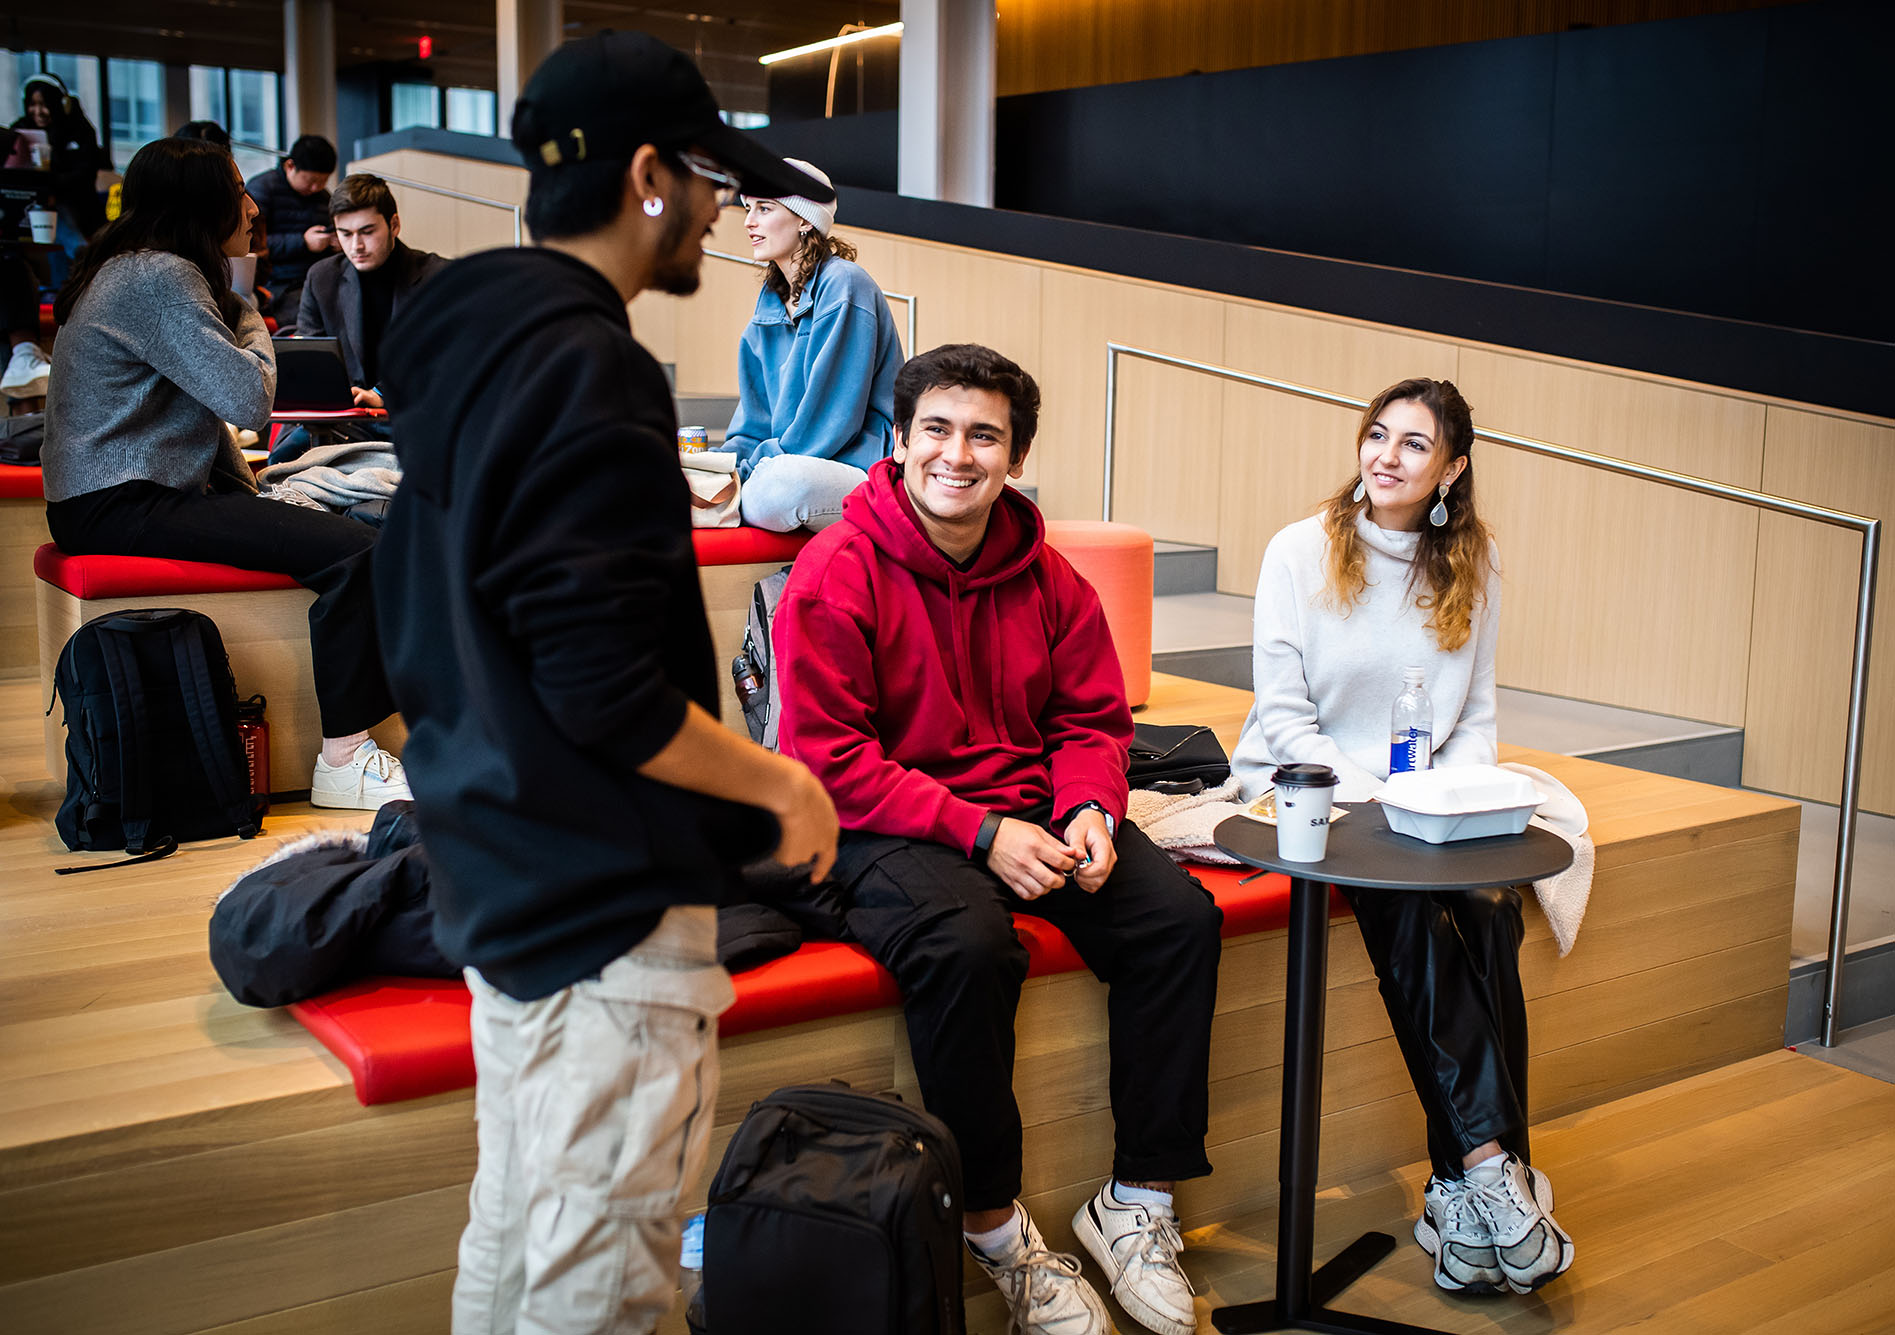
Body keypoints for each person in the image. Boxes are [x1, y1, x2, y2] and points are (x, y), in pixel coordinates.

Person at [371, 32, 839, 1335]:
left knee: (520, 1228)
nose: (722, 209)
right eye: (709, 178)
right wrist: (780, 782)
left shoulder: (464, 343)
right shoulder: (592, 367)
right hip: (597, 907)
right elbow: (604, 687)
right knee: (603, 1278)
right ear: (647, 176)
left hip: (497, 866)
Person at [775, 342, 1223, 1335]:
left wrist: (1089, 808)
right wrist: (980, 834)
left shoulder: (1048, 577)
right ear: (896, 444)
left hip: (1030, 811)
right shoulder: (835, 570)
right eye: (935, 429)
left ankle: (1137, 1199)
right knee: (969, 946)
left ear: (1013, 456)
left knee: (1176, 919)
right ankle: (991, 1226)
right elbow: (828, 756)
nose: (957, 454)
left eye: (984, 434)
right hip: (881, 818)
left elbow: (1091, 722)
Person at [1230, 377, 1574, 1297]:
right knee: (1408, 906)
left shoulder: (1473, 564)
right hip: (1310, 788)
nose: (1385, 456)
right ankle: (1492, 1170)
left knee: (1488, 910)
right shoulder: (1298, 551)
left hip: (1423, 797)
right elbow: (1285, 715)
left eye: (1413, 445)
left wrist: (1439, 796)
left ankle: (1467, 1189)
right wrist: (1379, 799)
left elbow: (1475, 715)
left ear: (1452, 467)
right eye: (1376, 435)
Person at [40, 137, 410, 810]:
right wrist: (246, 311)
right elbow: (246, 399)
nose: (251, 205)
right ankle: (344, 759)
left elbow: (201, 420)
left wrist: (260, 501)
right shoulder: (160, 277)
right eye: (237, 189)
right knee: (359, 553)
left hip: (107, 496)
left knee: (326, 529)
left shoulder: (130, 268)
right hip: (122, 500)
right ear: (201, 204)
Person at [723, 158, 901, 532]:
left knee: (780, 488)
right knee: (698, 482)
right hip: (791, 461)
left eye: (764, 208)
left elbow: (831, 423)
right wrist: (722, 470)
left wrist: (754, 469)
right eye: (748, 208)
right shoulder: (770, 304)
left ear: (805, 219)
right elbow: (753, 422)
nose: (748, 221)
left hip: (860, 465)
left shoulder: (845, 286)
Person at [297, 173, 447, 408]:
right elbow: (311, 357)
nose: (356, 245)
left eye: (367, 232)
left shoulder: (436, 276)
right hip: (343, 415)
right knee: (289, 446)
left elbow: (442, 356)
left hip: (415, 412)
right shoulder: (322, 277)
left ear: (394, 225)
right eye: (345, 234)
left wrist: (381, 394)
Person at [13, 72, 109, 281]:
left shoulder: (79, 130)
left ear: (61, 104)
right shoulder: (20, 130)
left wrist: (53, 186)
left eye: (44, 104)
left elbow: (84, 174)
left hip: (75, 204)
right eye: (32, 104)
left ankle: (81, 257)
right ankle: (70, 271)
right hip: (30, 204)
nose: (38, 111)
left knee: (58, 217)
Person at [244, 134, 336, 326]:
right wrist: (303, 242)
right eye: (311, 180)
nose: (315, 187)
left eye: (322, 182)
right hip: (277, 282)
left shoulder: (323, 197)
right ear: (290, 166)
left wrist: (334, 242)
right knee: (315, 313)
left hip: (316, 277)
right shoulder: (262, 189)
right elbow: (250, 245)